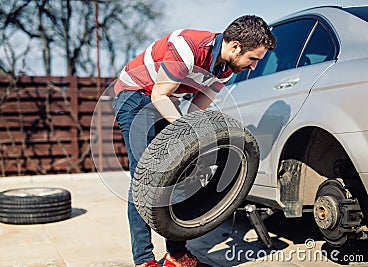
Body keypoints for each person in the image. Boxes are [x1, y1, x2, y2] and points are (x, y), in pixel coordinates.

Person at [112, 15, 276, 267]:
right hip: (135, 97)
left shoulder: (227, 69)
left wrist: (192, 145)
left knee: (177, 173)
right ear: (234, 46)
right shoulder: (187, 47)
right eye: (253, 58)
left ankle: (176, 256)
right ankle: (144, 259)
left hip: (162, 102)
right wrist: (186, 136)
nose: (253, 66)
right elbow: (160, 94)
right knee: (145, 178)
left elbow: (196, 108)